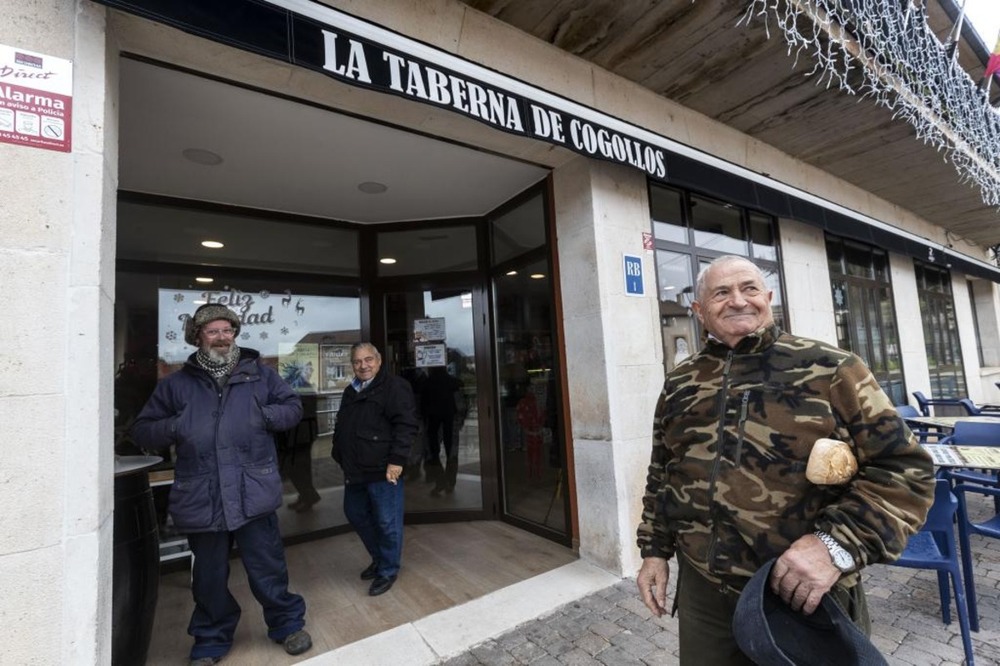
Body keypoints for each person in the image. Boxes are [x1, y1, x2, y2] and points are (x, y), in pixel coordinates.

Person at [635, 255, 935, 665]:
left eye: (750, 288)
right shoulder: (681, 382)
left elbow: (906, 470)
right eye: (721, 293)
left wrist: (836, 546)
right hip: (704, 593)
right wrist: (654, 551)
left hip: (801, 591)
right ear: (699, 311)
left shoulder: (830, 369)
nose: (738, 300)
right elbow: (663, 473)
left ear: (769, 298)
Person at [131, 303, 312, 666]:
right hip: (202, 493)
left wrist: (265, 416)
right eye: (212, 331)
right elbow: (141, 429)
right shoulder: (178, 384)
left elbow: (293, 406)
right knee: (209, 577)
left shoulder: (260, 375)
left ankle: (287, 625)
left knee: (268, 567)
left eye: (227, 330)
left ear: (235, 334)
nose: (221, 337)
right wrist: (176, 427)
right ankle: (212, 638)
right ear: (198, 337)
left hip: (252, 489)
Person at [331, 342, 418, 596]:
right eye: (357, 362)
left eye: (368, 360)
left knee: (387, 522)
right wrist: (338, 450)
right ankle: (381, 558)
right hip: (355, 470)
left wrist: (397, 460)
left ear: (379, 361)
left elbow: (406, 426)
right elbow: (342, 424)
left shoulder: (395, 387)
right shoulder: (351, 390)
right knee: (355, 513)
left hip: (383, 469)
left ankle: (388, 569)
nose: (363, 365)